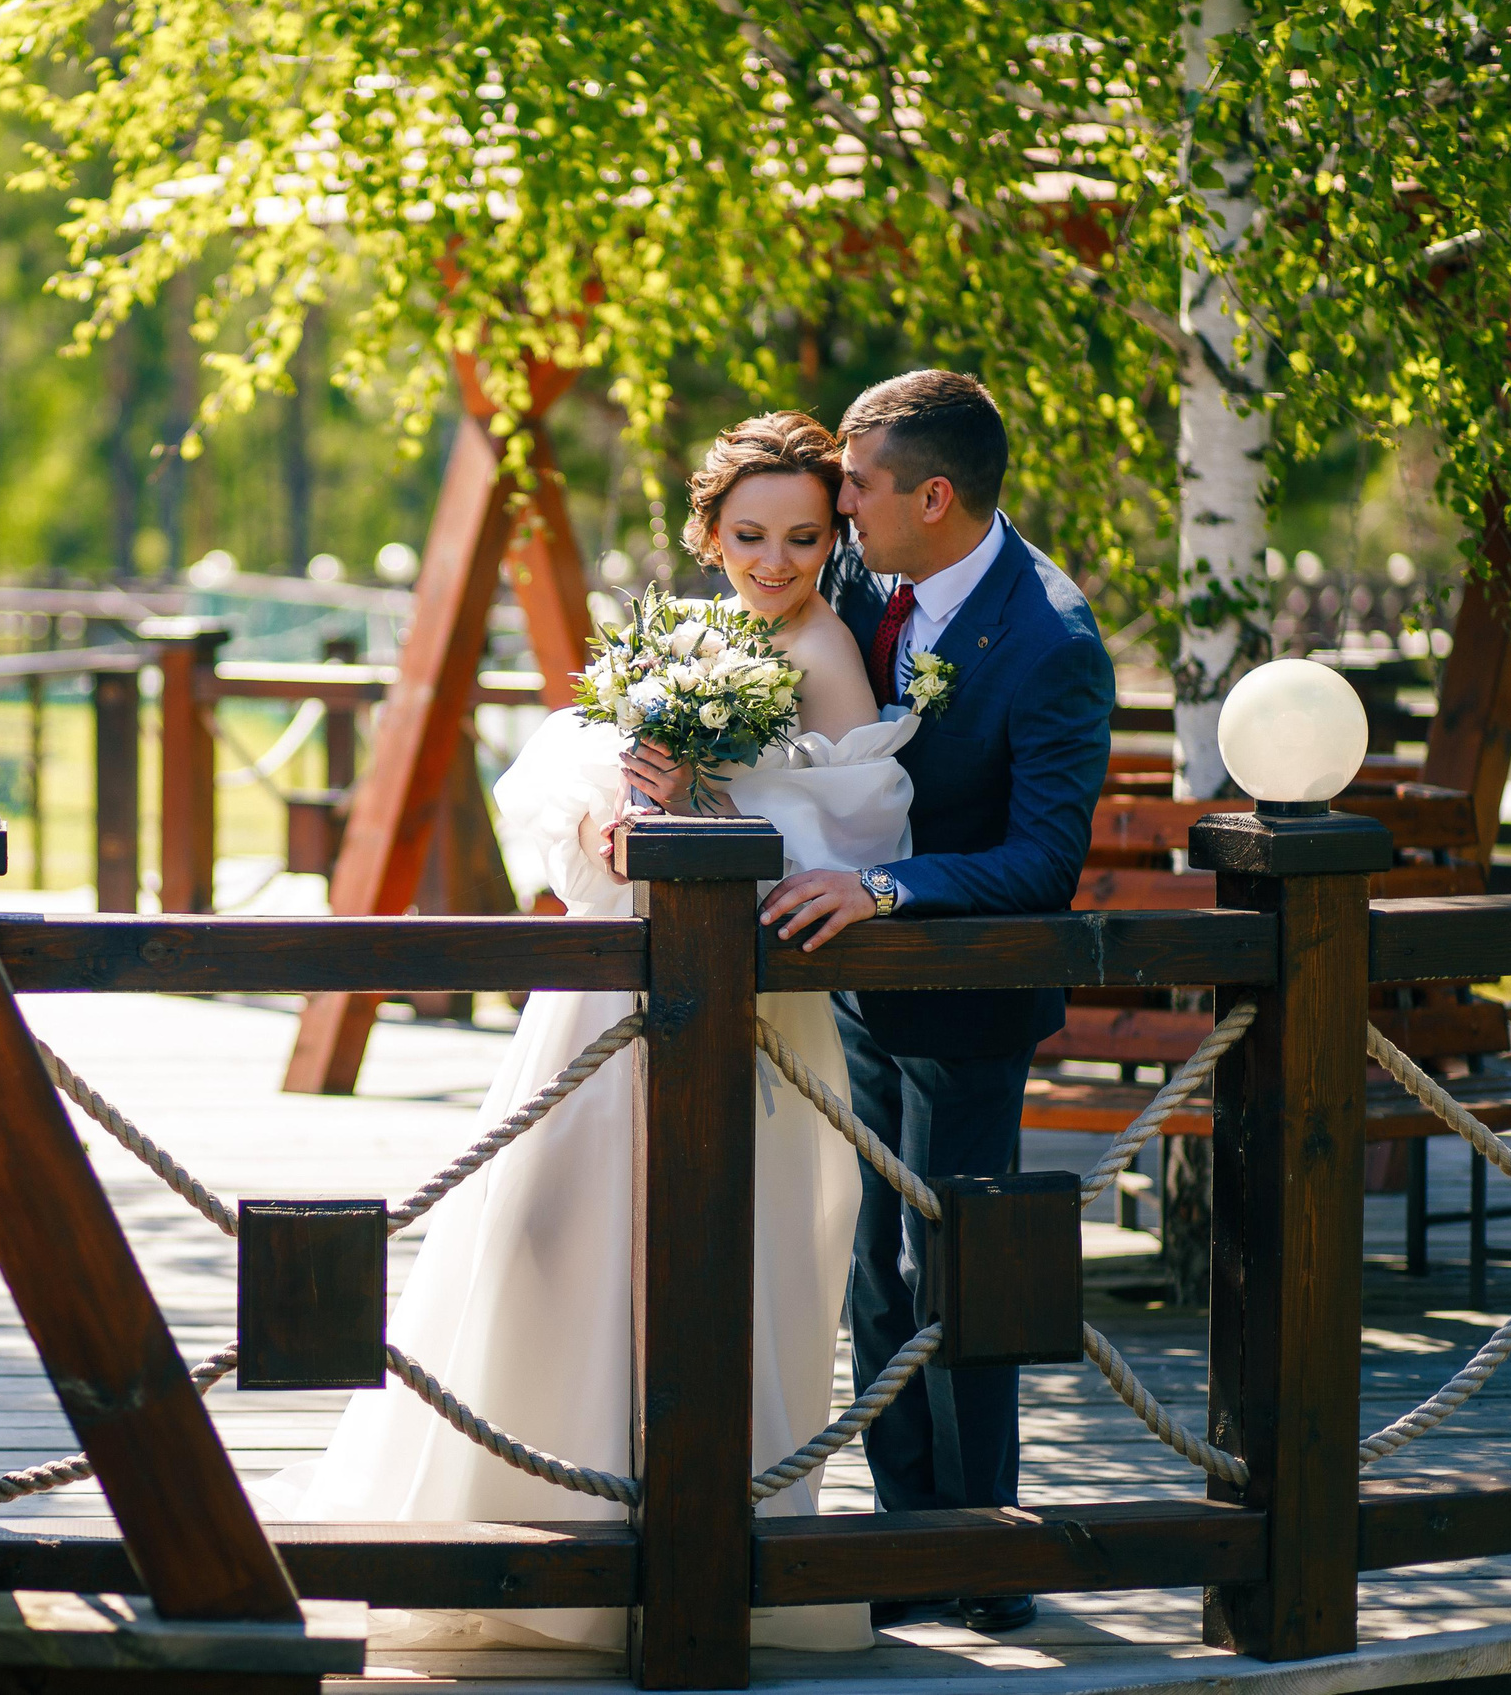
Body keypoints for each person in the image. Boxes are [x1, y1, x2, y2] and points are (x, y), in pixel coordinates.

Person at [256, 413, 915, 1655]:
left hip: (747, 1017)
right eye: (749, 534)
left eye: (802, 538)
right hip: (603, 996)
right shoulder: (695, 635)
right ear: (708, 532)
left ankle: (690, 1542)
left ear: (833, 541)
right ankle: (527, 1508)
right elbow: (574, 763)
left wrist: (698, 801)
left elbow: (855, 830)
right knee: (543, 1225)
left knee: (717, 1248)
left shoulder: (827, 651)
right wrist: (617, 810)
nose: (772, 561)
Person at [761, 370, 1114, 1634]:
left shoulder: (1052, 641)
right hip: (860, 993)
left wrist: (883, 885)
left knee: (956, 1269)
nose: (831, 501)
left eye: (851, 485)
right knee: (871, 1264)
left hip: (968, 996)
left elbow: (1040, 862)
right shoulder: (857, 574)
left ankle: (985, 1554)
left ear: (933, 495)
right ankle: (905, 1537)